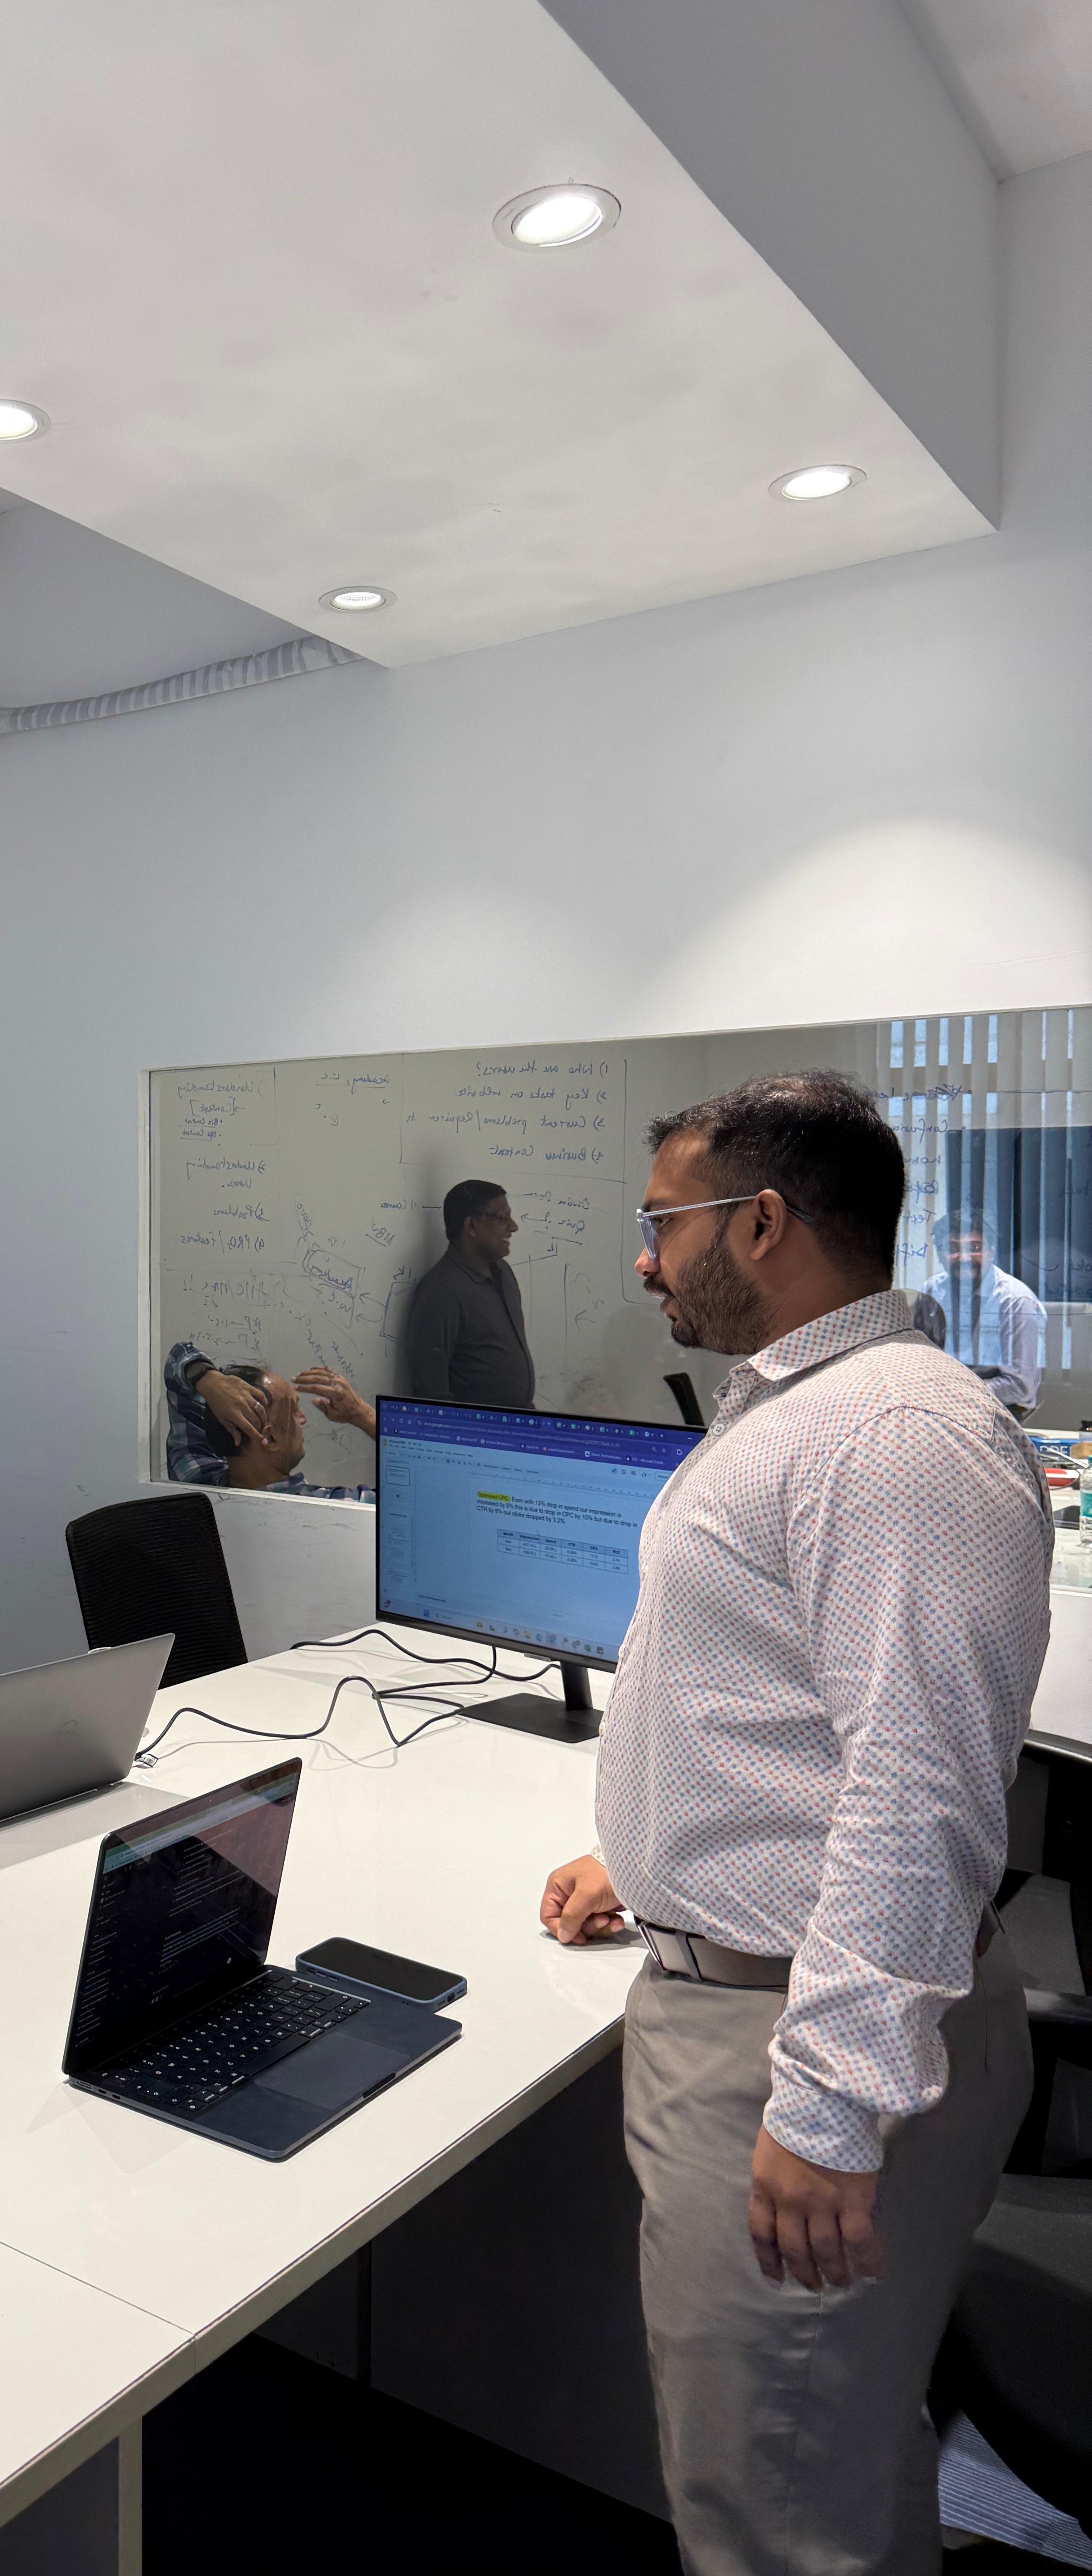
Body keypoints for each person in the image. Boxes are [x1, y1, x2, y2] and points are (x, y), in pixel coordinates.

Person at [538, 1072, 1052, 2576]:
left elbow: (921, 1796)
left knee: (773, 2509)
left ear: (759, 1223)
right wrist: (660, 1857)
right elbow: (789, 1719)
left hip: (789, 2039)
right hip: (754, 1986)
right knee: (818, 2450)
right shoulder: (806, 1412)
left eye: (661, 1223)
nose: (641, 1260)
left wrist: (827, 2107)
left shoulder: (889, 1437)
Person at [162, 1344, 374, 1499]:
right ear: (270, 1438)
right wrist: (363, 1416)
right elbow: (405, 1501)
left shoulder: (195, 1480)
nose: (303, 1419)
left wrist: (208, 1380)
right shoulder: (335, 1508)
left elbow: (177, 1361)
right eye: (294, 1411)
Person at [400, 1181, 534, 1406]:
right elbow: (432, 1390)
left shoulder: (503, 1272)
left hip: (516, 1427)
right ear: (472, 1226)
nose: (513, 1227)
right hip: (475, 1434)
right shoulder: (442, 1291)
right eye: (502, 1218)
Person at [928, 1210, 1045, 1414]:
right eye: (953, 1248)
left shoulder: (1016, 1302)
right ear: (939, 1254)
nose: (964, 1257)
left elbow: (1020, 1387)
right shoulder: (932, 1291)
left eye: (975, 1248)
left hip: (1001, 1410)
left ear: (991, 1251)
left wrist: (953, 1395)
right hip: (943, 1406)